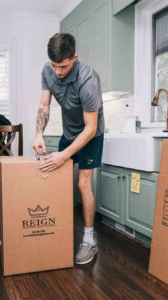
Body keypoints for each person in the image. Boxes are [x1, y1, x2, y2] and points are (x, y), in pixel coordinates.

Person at [32, 33, 105, 265]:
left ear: (74, 57)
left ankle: (89, 239)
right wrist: (38, 133)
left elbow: (91, 128)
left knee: (83, 184)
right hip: (69, 133)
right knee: (53, 176)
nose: (57, 72)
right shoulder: (48, 70)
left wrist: (64, 155)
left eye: (62, 66)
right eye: (54, 65)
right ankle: (53, 228)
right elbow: (44, 105)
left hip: (91, 135)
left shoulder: (88, 80)